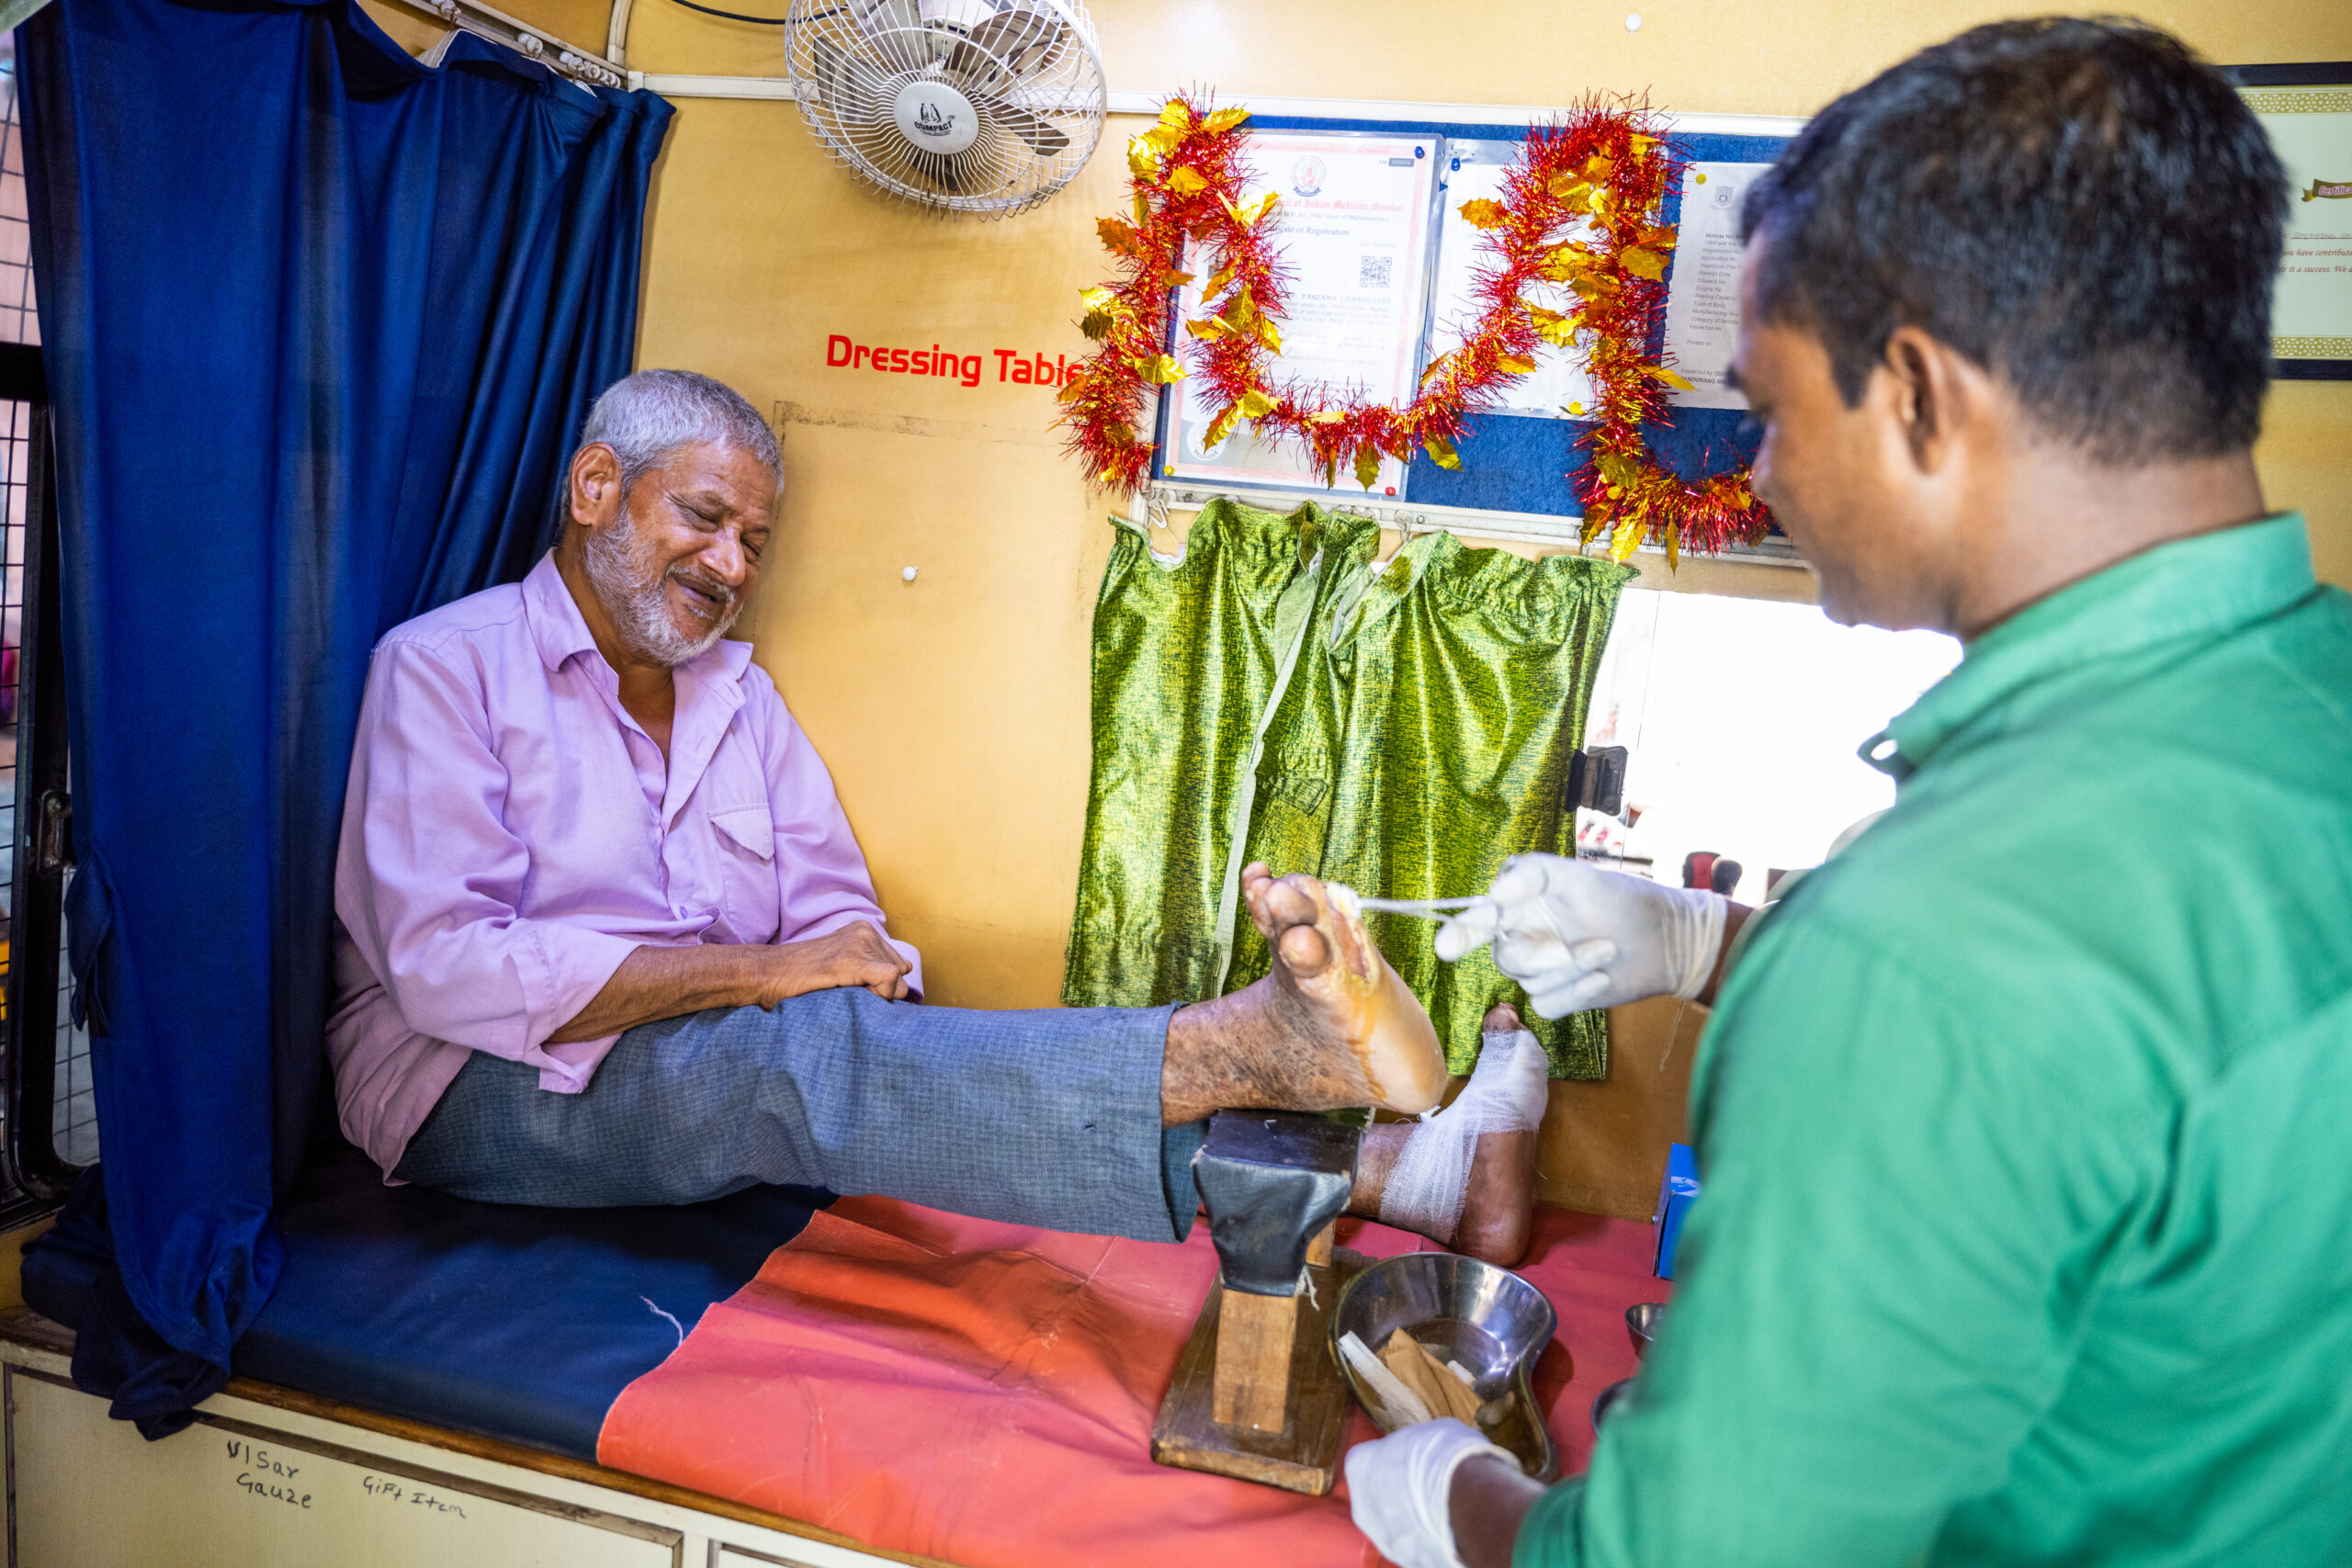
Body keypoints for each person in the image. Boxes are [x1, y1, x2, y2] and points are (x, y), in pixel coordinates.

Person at [1345, 18, 2352, 1568]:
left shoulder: (1924, 946)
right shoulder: (2303, 706)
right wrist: (1701, 940)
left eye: (1769, 407)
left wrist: (1460, 1502)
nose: (1755, 474)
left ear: (1921, 399)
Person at [326, 368, 1541, 1260]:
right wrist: (764, 978)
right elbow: (448, 974)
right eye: (702, 519)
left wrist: (860, 990)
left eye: (756, 540)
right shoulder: (446, 668)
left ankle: (1413, 1173)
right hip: (471, 1086)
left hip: (711, 1061)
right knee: (792, 1061)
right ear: (598, 488)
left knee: (831, 1058)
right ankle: (1240, 1052)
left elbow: (838, 911)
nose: (734, 566)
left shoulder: (738, 700)